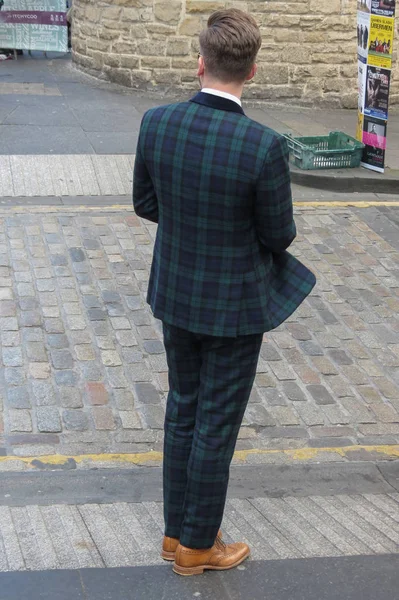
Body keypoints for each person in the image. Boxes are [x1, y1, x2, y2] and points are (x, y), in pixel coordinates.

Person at [133, 8, 316, 577]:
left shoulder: (157, 123)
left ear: (200, 63)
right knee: (216, 421)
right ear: (253, 70)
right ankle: (196, 546)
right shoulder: (261, 145)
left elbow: (145, 204)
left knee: (181, 411)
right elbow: (279, 233)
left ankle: (173, 534)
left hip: (175, 294)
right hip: (233, 307)